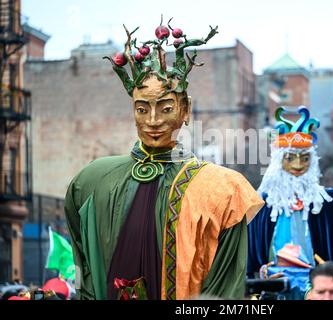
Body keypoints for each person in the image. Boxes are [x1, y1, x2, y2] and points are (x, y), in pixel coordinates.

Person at [64, 18, 264, 300]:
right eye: (142, 109)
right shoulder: (93, 181)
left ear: (185, 110)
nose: (153, 121)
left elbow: (224, 288)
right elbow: (84, 265)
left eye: (166, 108)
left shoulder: (223, 191)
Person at [247, 106, 333, 300]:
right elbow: (247, 264)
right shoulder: (260, 206)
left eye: (304, 159)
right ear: (279, 161)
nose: (297, 165)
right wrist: (262, 275)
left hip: (321, 291)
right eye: (290, 158)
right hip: (276, 289)